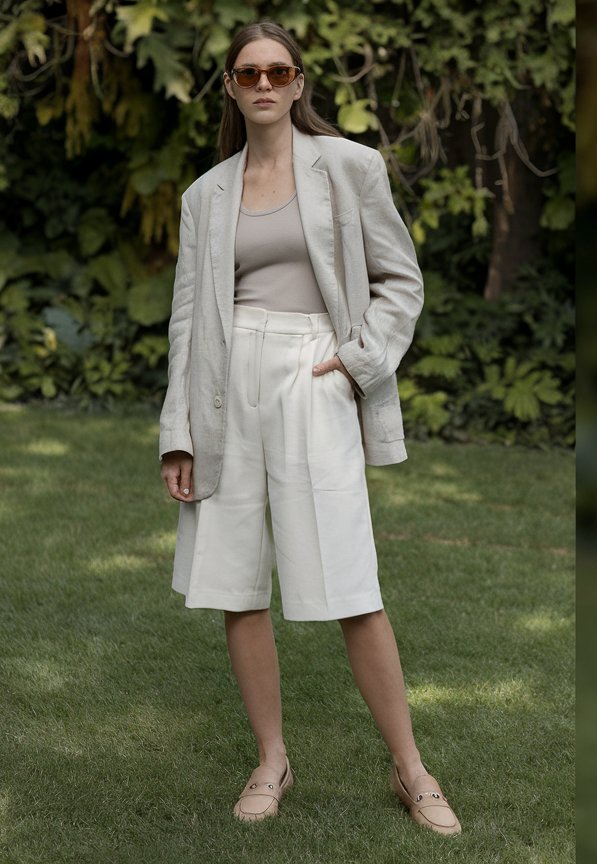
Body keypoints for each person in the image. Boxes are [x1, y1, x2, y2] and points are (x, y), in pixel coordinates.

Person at [157, 20, 460, 835]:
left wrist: (360, 360)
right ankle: (272, 758)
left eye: (277, 70)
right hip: (226, 387)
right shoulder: (205, 194)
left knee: (351, 582)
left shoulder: (351, 168)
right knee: (237, 582)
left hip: (313, 375)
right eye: (247, 72)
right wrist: (177, 430)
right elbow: (189, 318)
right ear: (230, 85)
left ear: (298, 83)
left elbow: (402, 278)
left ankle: (412, 768)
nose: (263, 83)